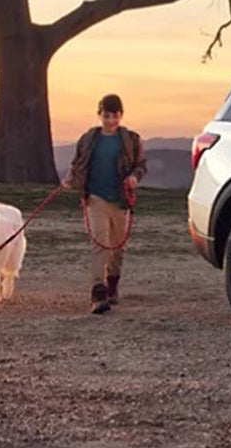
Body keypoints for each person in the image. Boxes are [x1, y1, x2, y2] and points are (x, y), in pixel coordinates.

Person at [62, 94, 148, 315]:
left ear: (121, 115)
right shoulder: (88, 139)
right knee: (99, 244)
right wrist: (71, 178)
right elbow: (78, 163)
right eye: (107, 115)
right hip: (95, 199)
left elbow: (140, 166)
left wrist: (134, 178)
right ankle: (98, 294)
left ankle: (112, 287)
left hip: (120, 200)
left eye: (115, 115)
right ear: (99, 114)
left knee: (118, 248)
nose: (111, 120)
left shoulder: (131, 140)